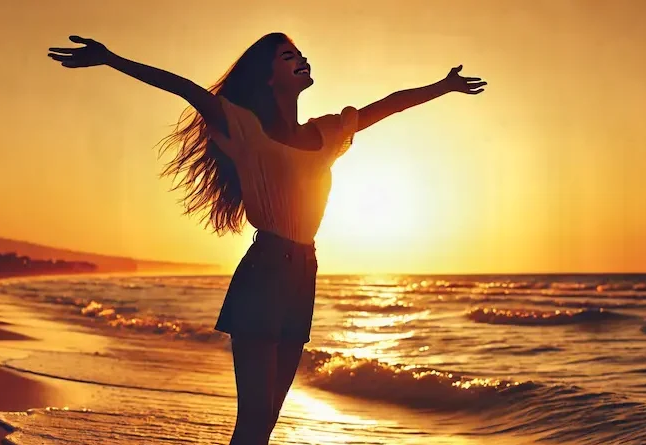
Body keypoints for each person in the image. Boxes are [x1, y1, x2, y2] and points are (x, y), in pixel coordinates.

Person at [48, 32, 486, 445]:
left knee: (267, 424)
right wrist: (110, 59)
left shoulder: (327, 133)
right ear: (268, 76)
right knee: (253, 421)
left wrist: (443, 86)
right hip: (264, 272)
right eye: (288, 56)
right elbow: (184, 87)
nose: (301, 59)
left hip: (303, 274)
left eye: (300, 53)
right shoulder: (245, 127)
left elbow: (388, 106)